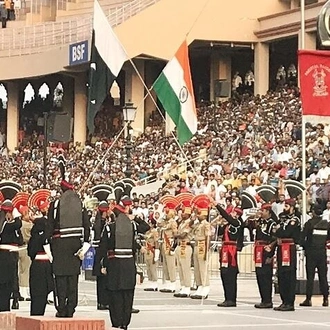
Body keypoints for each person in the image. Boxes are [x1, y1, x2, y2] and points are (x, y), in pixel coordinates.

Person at [100, 180, 150, 330]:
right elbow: (145, 227)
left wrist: (102, 265)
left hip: (114, 264)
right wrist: (135, 217)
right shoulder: (132, 226)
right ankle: (124, 323)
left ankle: (117, 322)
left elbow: (103, 248)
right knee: (127, 295)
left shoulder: (110, 228)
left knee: (115, 295)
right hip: (128, 264)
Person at [48, 156, 90, 318]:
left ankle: (61, 308)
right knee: (73, 278)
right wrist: (84, 247)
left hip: (59, 245)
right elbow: (87, 227)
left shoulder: (56, 204)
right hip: (75, 245)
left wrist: (48, 245)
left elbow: (50, 226)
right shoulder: (81, 204)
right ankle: (71, 307)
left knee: (60, 279)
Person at [27, 189, 53, 316]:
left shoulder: (34, 236)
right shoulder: (48, 232)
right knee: (44, 292)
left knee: (36, 294)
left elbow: (30, 252)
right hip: (47, 265)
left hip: (36, 264)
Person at [213, 200, 243, 307]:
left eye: (234, 213)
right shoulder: (229, 225)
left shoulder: (238, 223)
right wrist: (219, 222)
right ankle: (227, 297)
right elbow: (220, 232)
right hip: (225, 249)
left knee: (230, 274)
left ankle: (232, 298)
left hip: (231, 250)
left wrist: (218, 206)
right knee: (224, 273)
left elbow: (227, 217)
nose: (232, 214)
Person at [273, 198, 301, 311]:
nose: (284, 208)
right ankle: (284, 301)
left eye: (287, 206)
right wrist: (279, 231)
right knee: (281, 274)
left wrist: (279, 231)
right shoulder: (283, 219)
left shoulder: (295, 219)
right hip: (281, 248)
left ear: (292, 207)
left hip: (289, 248)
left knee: (289, 274)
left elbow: (286, 232)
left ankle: (290, 302)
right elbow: (275, 232)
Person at [299, 204, 330, 307]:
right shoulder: (326, 224)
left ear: (313, 212)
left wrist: (305, 247)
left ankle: (308, 299)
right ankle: (325, 299)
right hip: (322, 252)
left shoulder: (309, 223)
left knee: (310, 277)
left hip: (311, 253)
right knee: (323, 277)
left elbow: (302, 238)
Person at [91, 184, 113, 311]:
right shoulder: (100, 223)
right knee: (103, 279)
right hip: (101, 252)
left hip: (101, 251)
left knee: (104, 280)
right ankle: (102, 302)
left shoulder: (103, 222)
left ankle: (103, 301)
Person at [0, 199, 22, 312]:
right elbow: (18, 223)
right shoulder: (5, 225)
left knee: (12, 278)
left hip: (11, 253)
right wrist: (17, 215)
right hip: (6, 254)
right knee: (8, 279)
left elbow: (20, 239)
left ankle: (14, 298)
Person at [254, 204, 277, 308]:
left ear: (268, 211)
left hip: (266, 250)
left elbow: (273, 239)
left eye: (263, 210)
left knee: (266, 276)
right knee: (259, 275)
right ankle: (263, 298)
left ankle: (268, 300)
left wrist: (270, 255)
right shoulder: (260, 222)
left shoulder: (272, 223)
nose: (261, 212)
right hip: (258, 250)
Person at [190, 194, 211, 300]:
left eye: (199, 214)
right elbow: (190, 226)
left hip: (203, 245)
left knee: (203, 268)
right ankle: (199, 285)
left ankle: (205, 286)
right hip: (197, 245)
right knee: (197, 268)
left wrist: (207, 250)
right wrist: (192, 219)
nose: (197, 215)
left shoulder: (206, 224)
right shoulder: (198, 224)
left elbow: (208, 237)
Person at [174, 193, 194, 298]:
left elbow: (182, 235)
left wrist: (177, 235)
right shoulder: (181, 223)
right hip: (179, 245)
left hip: (185, 245)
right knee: (180, 268)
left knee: (186, 268)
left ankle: (187, 287)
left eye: (184, 212)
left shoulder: (189, 223)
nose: (182, 214)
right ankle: (183, 286)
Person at [158, 195, 178, 293]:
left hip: (169, 242)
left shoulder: (173, 222)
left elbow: (175, 235)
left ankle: (173, 283)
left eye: (168, 211)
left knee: (170, 264)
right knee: (165, 264)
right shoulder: (165, 222)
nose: (166, 212)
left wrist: (174, 246)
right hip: (164, 243)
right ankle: (168, 281)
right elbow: (159, 223)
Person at [17, 199, 33, 302]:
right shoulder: (29, 225)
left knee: (20, 271)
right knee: (26, 271)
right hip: (26, 248)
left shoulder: (19, 224)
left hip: (18, 248)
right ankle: (25, 292)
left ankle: (20, 290)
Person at [142, 217, 160, 292]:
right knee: (148, 268)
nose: (149, 224)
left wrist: (156, 252)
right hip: (147, 251)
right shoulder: (147, 232)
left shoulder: (154, 232)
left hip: (152, 250)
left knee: (153, 268)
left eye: (150, 223)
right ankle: (150, 282)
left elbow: (156, 242)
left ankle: (155, 283)